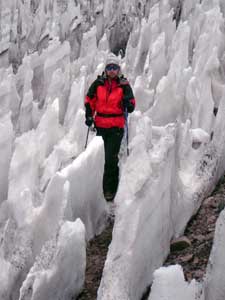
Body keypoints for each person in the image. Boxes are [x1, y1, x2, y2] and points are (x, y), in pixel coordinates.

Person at [84, 53, 136, 201]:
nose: (112, 70)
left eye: (114, 68)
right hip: (100, 126)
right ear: (105, 69)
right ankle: (97, 190)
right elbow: (90, 100)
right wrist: (89, 115)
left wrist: (128, 104)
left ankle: (109, 190)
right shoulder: (98, 83)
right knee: (99, 159)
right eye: (109, 67)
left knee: (110, 159)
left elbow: (132, 103)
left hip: (115, 127)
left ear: (118, 69)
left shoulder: (123, 85)